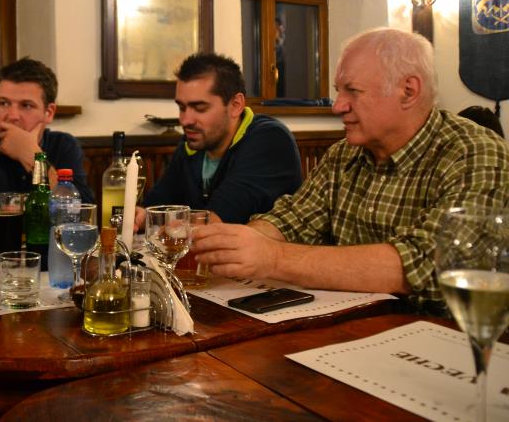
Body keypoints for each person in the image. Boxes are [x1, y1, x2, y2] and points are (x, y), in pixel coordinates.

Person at [192, 28, 509, 311]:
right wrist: (230, 244)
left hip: (454, 342)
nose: (337, 106)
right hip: (356, 329)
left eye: (352, 91)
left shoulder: (475, 152)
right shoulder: (343, 154)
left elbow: (429, 265)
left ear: (408, 91)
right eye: (338, 90)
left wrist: (272, 258)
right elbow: (292, 220)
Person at [134, 52, 303, 228]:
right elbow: (156, 206)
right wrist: (142, 216)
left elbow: (216, 222)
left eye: (200, 108)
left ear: (236, 105)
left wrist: (156, 221)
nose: (185, 120)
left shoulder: (270, 140)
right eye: (182, 108)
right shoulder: (192, 143)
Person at [0, 57, 93, 244]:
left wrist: (34, 158)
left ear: (49, 112)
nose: (11, 116)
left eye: (26, 105)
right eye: (4, 103)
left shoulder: (64, 146)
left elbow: (82, 219)